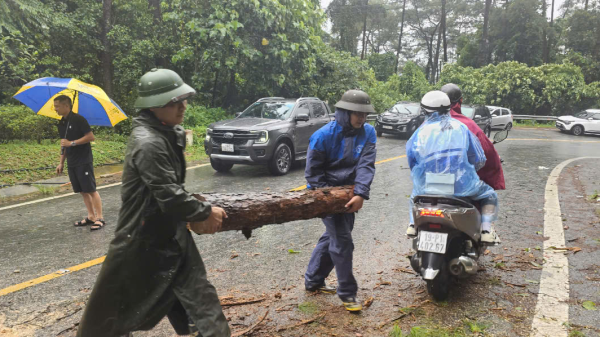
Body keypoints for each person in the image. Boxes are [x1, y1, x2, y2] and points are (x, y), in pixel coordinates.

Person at [76, 69, 230, 337]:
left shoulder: (165, 132)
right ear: (154, 106)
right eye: (174, 102)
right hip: (140, 245)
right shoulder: (148, 143)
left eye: (183, 99)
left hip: (173, 240)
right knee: (105, 322)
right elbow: (169, 194)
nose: (182, 106)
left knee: (205, 312)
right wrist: (204, 211)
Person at [304, 89, 377, 312]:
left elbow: (366, 165)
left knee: (333, 237)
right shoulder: (322, 136)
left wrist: (360, 193)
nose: (361, 118)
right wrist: (330, 199)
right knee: (343, 241)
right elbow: (313, 173)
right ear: (344, 112)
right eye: (356, 113)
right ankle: (348, 294)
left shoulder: (369, 133)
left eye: (364, 114)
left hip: (350, 193)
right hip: (324, 193)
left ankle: (313, 279)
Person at [405, 91, 500, 244]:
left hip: (428, 186)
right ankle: (486, 230)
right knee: (489, 195)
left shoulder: (419, 133)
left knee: (414, 196)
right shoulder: (461, 128)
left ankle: (412, 224)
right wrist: (467, 170)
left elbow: (413, 164)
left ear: (424, 111)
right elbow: (479, 159)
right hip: (461, 186)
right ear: (450, 108)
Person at [440, 83, 505, 190]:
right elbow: (487, 155)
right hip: (460, 184)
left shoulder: (426, 125)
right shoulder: (469, 125)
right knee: (490, 198)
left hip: (429, 185)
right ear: (460, 101)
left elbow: (413, 152)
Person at [54, 95, 105, 230]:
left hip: (84, 160)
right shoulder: (62, 123)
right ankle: (91, 216)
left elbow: (90, 137)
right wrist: (61, 163)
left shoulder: (79, 119)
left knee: (91, 189)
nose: (55, 109)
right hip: (72, 161)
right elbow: (64, 145)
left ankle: (100, 218)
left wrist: (72, 143)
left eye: (57, 106)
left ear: (66, 106)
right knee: (82, 191)